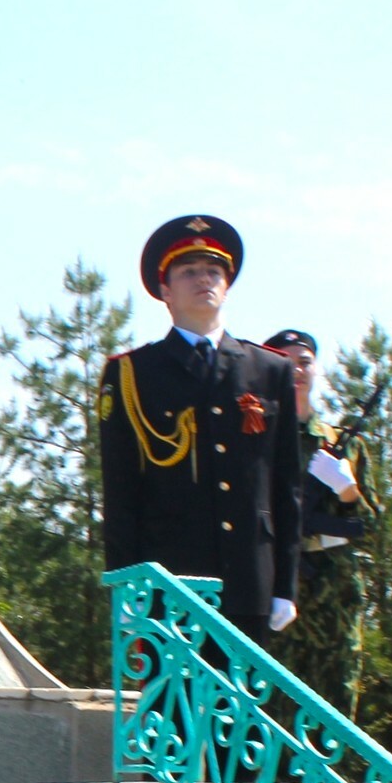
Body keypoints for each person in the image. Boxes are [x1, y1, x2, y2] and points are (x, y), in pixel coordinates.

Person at [98, 215, 302, 644]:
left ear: (227, 287)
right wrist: (126, 586)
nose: (204, 279)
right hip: (169, 583)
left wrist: (286, 584)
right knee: (176, 691)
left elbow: (286, 489)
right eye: (189, 271)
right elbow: (121, 493)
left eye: (213, 271)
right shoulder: (133, 373)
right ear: (166, 292)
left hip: (251, 582)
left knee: (245, 690)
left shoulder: (269, 370)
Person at [260, 328, 375, 711]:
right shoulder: (258, 441)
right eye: (286, 362)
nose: (297, 370)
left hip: (334, 593)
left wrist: (347, 490)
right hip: (278, 586)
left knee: (336, 706)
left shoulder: (344, 444)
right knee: (272, 707)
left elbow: (373, 528)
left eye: (304, 362)